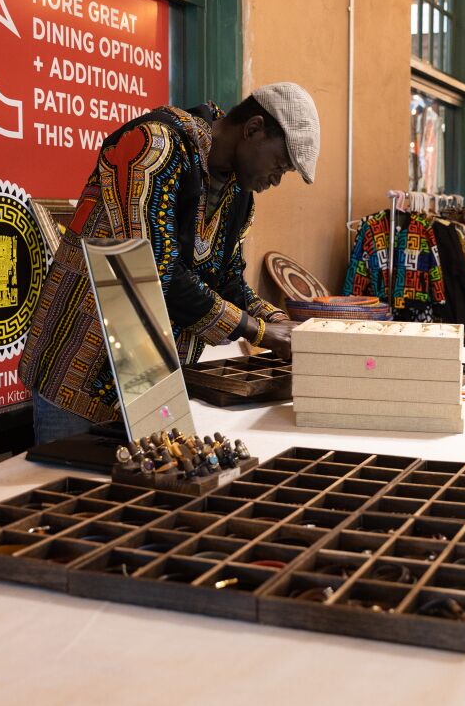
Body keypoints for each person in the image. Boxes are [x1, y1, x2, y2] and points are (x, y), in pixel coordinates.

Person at [19, 83, 321, 444]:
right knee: (65, 489)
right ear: (253, 128)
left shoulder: (238, 194)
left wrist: (279, 322)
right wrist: (257, 331)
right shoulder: (152, 147)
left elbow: (228, 283)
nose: (275, 179)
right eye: (280, 164)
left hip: (148, 384)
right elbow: (151, 274)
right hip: (79, 370)